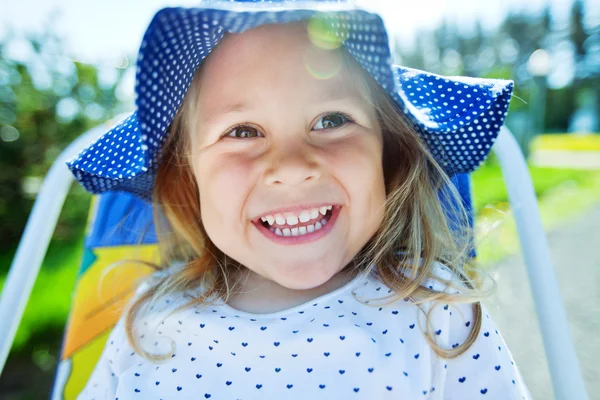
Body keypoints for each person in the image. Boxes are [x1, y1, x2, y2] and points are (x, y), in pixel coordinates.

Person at [68, 1, 530, 398]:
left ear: (386, 160)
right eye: (242, 132)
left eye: (331, 120)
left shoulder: (436, 306)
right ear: (191, 180)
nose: (290, 166)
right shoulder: (149, 315)